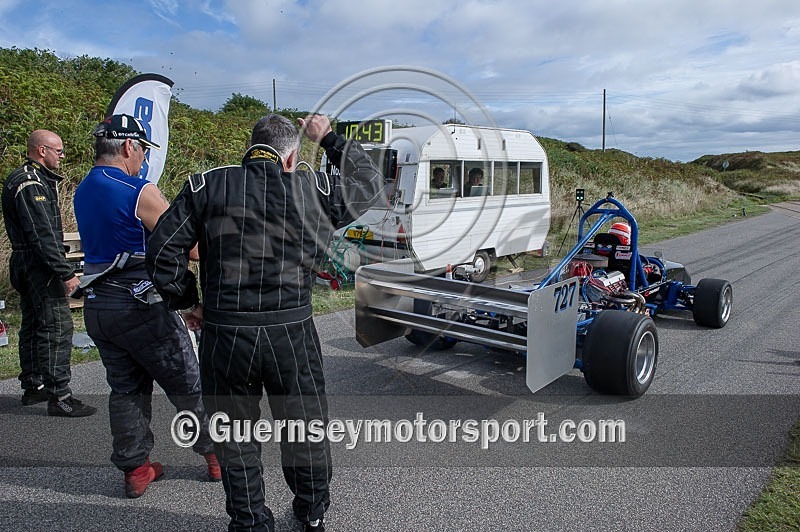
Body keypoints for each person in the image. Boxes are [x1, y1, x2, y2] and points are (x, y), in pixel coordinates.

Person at [145, 113, 383, 532]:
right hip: (291, 332)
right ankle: (311, 511)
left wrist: (188, 302)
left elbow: (163, 251)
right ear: (290, 157)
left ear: (251, 147)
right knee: (304, 425)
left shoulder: (207, 185)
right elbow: (368, 183)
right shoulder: (310, 188)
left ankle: (250, 520)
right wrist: (328, 138)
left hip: (225, 333)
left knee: (234, 436)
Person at [73, 114, 221, 498]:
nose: (142, 160)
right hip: (140, 303)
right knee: (187, 383)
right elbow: (188, 247)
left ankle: (136, 468)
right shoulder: (139, 189)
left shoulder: (83, 188)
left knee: (125, 389)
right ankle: (217, 456)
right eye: (142, 151)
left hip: (98, 304)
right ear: (128, 147)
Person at [1, 130, 96, 417]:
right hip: (39, 265)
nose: (62, 156)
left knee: (32, 324)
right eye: (59, 150)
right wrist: (66, 272)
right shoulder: (31, 184)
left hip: (25, 262)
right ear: (42, 151)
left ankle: (33, 385)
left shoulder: (27, 178)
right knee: (57, 326)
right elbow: (43, 235)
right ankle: (61, 395)